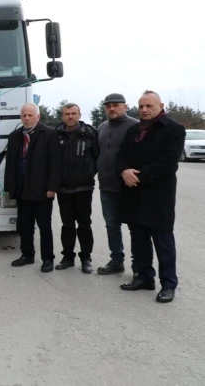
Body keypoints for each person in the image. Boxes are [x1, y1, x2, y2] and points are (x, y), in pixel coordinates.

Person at [117, 91, 185, 303]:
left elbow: (168, 162)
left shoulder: (173, 129)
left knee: (163, 241)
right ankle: (144, 277)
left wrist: (138, 176)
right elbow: (120, 156)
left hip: (158, 195)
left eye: (149, 106)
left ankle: (168, 284)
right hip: (133, 194)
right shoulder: (133, 130)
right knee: (139, 240)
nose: (144, 110)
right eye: (141, 106)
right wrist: (124, 171)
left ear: (160, 106)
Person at [3, 103, 61, 273]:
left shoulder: (49, 134)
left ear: (38, 116)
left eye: (30, 115)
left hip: (42, 190)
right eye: (24, 116)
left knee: (44, 226)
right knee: (24, 225)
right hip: (21, 189)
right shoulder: (15, 136)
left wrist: (52, 187)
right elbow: (10, 165)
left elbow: (55, 164)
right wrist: (9, 187)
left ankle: (48, 259)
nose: (27, 118)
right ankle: (27, 255)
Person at [95, 93, 140, 275]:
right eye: (108, 106)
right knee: (111, 226)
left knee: (135, 227)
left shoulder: (136, 126)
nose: (112, 108)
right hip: (106, 186)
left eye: (116, 105)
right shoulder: (102, 127)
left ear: (125, 106)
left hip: (129, 187)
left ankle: (139, 265)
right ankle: (116, 261)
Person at [54, 103, 99, 273]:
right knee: (67, 224)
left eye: (74, 113)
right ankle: (67, 257)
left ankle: (86, 258)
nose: (70, 117)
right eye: (67, 114)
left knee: (84, 224)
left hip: (83, 187)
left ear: (79, 114)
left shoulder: (89, 133)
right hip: (63, 188)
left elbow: (97, 157)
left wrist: (89, 174)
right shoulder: (55, 134)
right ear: (62, 116)